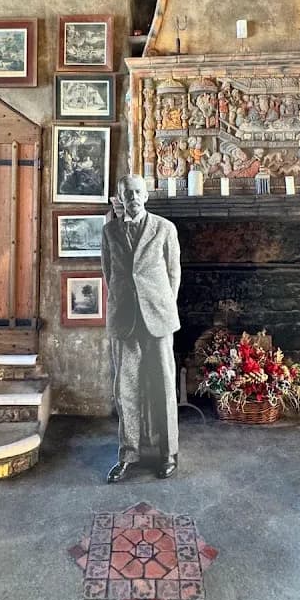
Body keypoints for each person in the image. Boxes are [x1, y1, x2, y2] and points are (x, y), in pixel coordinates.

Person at [101, 174, 181, 482]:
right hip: (124, 319)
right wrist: (126, 304)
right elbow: (109, 274)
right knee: (126, 388)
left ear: (146, 195)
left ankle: (168, 453)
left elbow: (174, 275)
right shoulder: (109, 232)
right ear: (120, 198)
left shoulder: (164, 228)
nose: (133, 197)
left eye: (137, 191)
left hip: (158, 318)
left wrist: (159, 306)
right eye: (127, 193)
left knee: (162, 384)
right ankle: (128, 454)